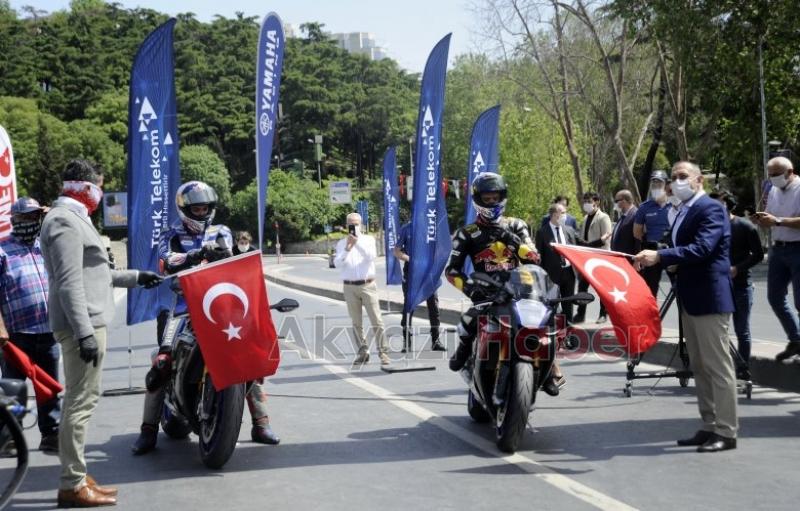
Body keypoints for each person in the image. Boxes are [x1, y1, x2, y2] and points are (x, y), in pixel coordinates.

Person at [39, 159, 163, 507]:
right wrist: (83, 333)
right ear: (81, 184)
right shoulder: (63, 219)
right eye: (99, 185)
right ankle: (72, 484)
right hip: (84, 324)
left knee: (82, 402)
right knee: (79, 404)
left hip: (90, 321)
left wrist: (137, 276)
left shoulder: (75, 217)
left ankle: (77, 475)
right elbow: (68, 282)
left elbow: (95, 273)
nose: (101, 193)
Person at [132, 181, 280, 455]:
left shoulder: (221, 231)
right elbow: (166, 261)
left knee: (248, 357)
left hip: (218, 306)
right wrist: (197, 254)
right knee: (162, 364)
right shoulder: (170, 233)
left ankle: (261, 423)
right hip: (179, 305)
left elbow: (235, 262)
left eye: (205, 207)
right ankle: (148, 430)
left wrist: (234, 255)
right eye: (196, 208)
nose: (201, 212)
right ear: (185, 209)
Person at [634, 161, 738, 453]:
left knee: (718, 367)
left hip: (710, 297)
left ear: (699, 180)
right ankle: (709, 425)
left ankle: (727, 431)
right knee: (700, 366)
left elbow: (703, 248)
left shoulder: (711, 209)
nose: (677, 182)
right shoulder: (681, 211)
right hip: (690, 295)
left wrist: (660, 256)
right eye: (674, 177)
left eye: (683, 177)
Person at [445, 174, 566, 394]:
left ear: (503, 197)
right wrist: (471, 289)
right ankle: (463, 357)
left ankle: (550, 367)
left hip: (520, 289)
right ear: (478, 199)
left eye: (495, 198)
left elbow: (534, 258)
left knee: (547, 320)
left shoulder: (516, 225)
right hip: (487, 291)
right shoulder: (466, 234)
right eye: (487, 198)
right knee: (466, 323)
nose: (492, 202)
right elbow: (451, 271)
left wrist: (512, 240)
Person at [0, 197, 61, 454]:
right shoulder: (2, 250)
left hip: (48, 331)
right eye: (27, 218)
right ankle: (8, 437)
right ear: (15, 220)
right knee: (14, 388)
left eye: (36, 218)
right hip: (16, 335)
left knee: (48, 387)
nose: (32, 223)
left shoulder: (44, 247)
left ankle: (51, 433)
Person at [752, 156, 800, 362]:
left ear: (790, 172)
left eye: (776, 175)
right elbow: (770, 217)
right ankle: (795, 339)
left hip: (798, 248)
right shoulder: (772, 190)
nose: (772, 179)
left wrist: (778, 221)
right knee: (775, 297)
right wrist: (762, 219)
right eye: (770, 175)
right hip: (778, 249)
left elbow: (778, 220)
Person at [710, 191, 763, 374]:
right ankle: (721, 369)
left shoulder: (745, 226)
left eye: (719, 204)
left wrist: (737, 269)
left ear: (728, 205)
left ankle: (743, 369)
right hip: (718, 286)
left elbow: (758, 255)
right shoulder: (710, 228)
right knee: (717, 331)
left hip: (741, 286)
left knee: (742, 330)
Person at [334, 212, 390, 367]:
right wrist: (347, 247)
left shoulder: (368, 240)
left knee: (376, 320)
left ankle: (383, 352)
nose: (353, 227)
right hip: (349, 286)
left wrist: (357, 243)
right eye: (350, 224)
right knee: (356, 322)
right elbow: (337, 263)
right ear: (346, 226)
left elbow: (371, 256)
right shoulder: (341, 243)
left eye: (356, 224)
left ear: (361, 225)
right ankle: (362, 352)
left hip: (367, 285)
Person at [393, 221, 445, 352]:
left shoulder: (432, 225)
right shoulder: (406, 228)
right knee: (409, 306)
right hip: (412, 271)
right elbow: (397, 252)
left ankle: (436, 340)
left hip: (429, 272)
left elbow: (441, 248)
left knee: (433, 306)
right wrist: (413, 259)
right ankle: (407, 341)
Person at [535, 203, 577, 325]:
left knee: (568, 305)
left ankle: (568, 333)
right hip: (551, 276)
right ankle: (551, 332)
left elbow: (581, 245)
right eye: (563, 213)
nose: (566, 216)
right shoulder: (542, 233)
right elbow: (539, 257)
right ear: (554, 215)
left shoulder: (569, 230)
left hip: (569, 274)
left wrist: (600, 241)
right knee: (551, 305)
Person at [574, 191, 612, 324]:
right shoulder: (585, 218)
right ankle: (580, 314)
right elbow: (582, 239)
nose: (586, 204)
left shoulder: (603, 217)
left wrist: (590, 245)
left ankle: (603, 314)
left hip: (600, 259)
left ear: (597, 202)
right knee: (582, 287)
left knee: (602, 289)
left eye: (589, 201)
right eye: (585, 201)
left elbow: (606, 240)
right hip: (586, 259)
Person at [634, 171, 672, 297]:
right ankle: (650, 316)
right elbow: (637, 232)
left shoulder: (675, 205)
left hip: (671, 250)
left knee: (679, 290)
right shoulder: (644, 207)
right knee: (650, 291)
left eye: (659, 182)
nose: (656, 185)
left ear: (666, 185)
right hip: (652, 251)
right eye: (653, 182)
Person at [610, 190, 640, 256]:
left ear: (623, 201)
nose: (615, 204)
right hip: (618, 258)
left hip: (629, 260)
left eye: (616, 201)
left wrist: (637, 260)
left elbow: (638, 240)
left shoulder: (636, 215)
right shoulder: (622, 217)